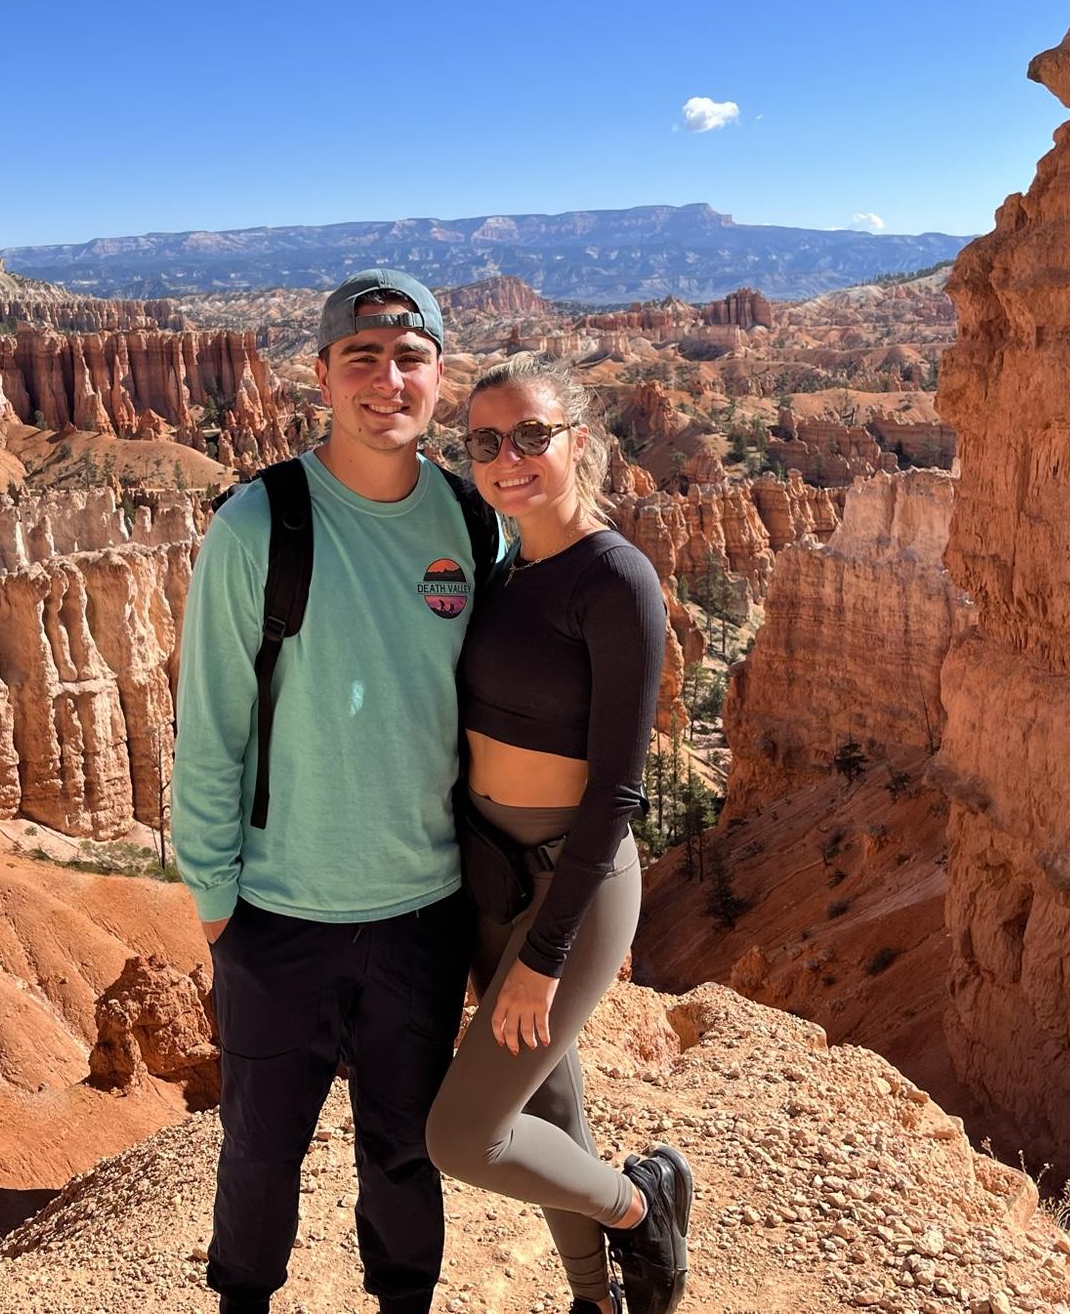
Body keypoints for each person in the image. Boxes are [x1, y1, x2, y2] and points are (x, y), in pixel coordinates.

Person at [171, 268, 498, 1314]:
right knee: (260, 1156)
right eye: (362, 357)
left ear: (440, 377)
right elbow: (210, 725)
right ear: (321, 375)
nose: (387, 379)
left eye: (410, 358)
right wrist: (217, 902)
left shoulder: (470, 522)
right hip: (278, 915)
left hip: (423, 912)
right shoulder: (259, 526)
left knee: (405, 1155)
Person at [424, 353, 693, 1314]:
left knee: (464, 1135)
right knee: (548, 1100)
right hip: (487, 874)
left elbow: (618, 791)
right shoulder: (503, 569)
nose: (509, 458)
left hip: (568, 886)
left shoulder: (616, 579)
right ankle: (597, 1299)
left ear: (577, 437)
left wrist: (544, 950)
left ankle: (640, 1205)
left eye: (532, 434)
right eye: (487, 442)